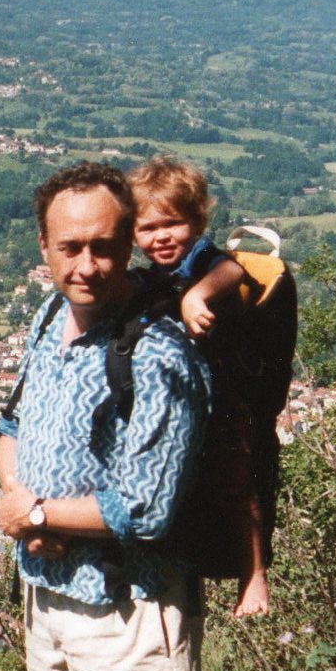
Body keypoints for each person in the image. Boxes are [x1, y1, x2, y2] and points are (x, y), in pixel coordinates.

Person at [0, 161, 211, 671]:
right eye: (69, 247)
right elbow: (11, 426)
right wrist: (18, 506)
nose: (86, 266)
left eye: (105, 247)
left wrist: (41, 511)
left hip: (128, 611)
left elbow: (143, 507)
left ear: (128, 247)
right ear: (44, 250)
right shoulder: (50, 318)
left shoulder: (157, 356)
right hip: (48, 593)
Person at [129, 155, 270, 618]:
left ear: (197, 221)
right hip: (182, 396)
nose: (162, 236)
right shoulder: (151, 275)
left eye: (174, 223)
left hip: (222, 397)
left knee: (234, 481)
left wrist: (198, 293)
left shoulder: (200, 260)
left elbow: (233, 271)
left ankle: (254, 576)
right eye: (148, 228)